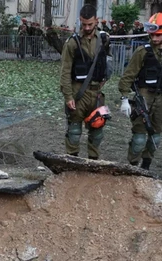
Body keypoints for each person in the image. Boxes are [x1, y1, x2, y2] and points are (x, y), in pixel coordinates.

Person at [118, 13, 162, 170]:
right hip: (144, 96)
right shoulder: (142, 52)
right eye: (152, 35)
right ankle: (133, 167)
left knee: (155, 137)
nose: (155, 38)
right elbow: (127, 76)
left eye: (158, 35)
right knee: (139, 139)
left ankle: (146, 167)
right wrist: (124, 98)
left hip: (161, 98)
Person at [60, 4, 111, 159]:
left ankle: (93, 163)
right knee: (74, 132)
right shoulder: (72, 43)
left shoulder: (104, 39)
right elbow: (65, 71)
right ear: (80, 21)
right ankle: (72, 162)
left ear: (96, 20)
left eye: (90, 24)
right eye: (84, 24)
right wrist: (68, 96)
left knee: (97, 131)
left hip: (96, 94)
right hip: (77, 92)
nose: (87, 28)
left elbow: (106, 61)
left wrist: (104, 78)